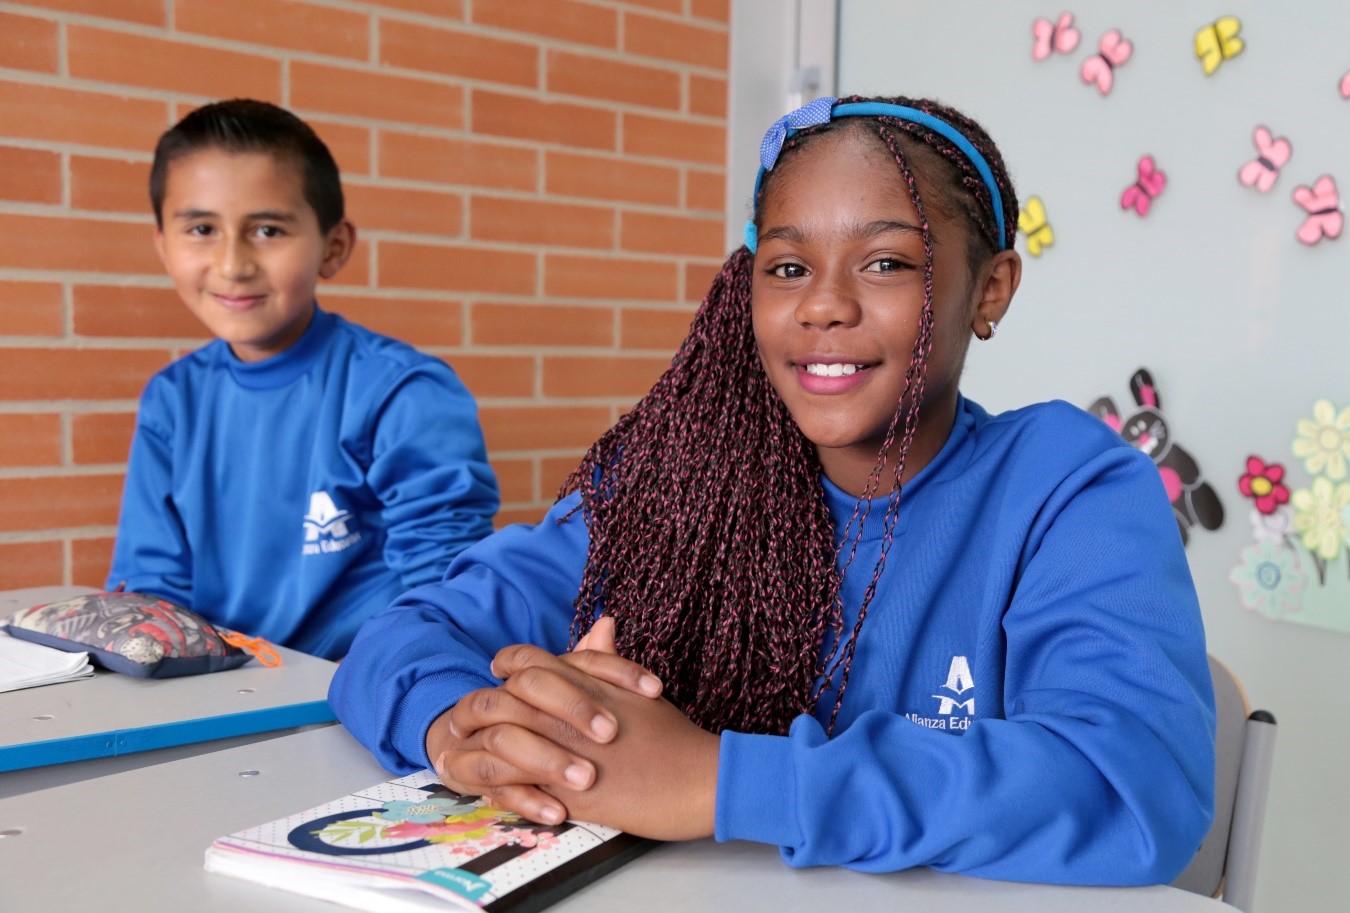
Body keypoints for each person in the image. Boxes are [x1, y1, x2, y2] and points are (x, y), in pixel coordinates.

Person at [329, 95, 1215, 884]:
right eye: (787, 268)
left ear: (991, 290)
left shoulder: (1067, 485)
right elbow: (403, 634)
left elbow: (1131, 784)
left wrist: (713, 780)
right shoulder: (676, 484)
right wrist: (464, 727)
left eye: (886, 263)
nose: (823, 304)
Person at [106, 99, 499, 660]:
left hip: (359, 694)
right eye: (201, 229)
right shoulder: (172, 401)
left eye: (267, 230)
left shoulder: (402, 392)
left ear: (332, 248)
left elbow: (446, 596)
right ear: (164, 247)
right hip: (215, 694)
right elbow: (153, 596)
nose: (233, 264)